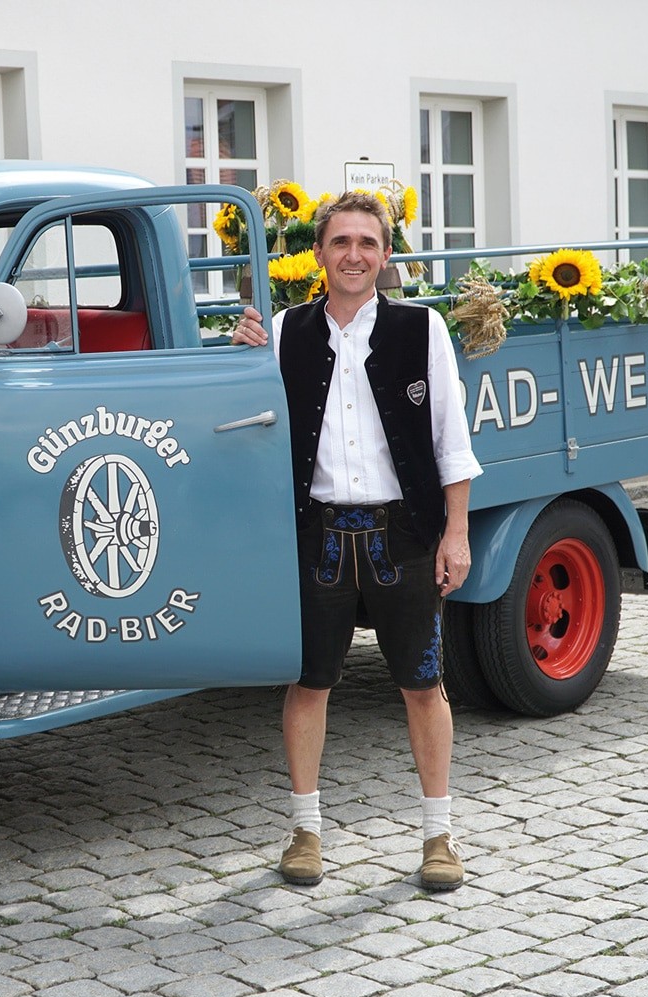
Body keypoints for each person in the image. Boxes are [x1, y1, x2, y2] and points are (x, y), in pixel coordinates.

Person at [231, 190, 481, 891]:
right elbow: (247, 419)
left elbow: (450, 442)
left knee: (422, 686)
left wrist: (454, 534)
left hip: (401, 532)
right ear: (319, 254)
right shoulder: (285, 329)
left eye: (367, 243)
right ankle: (305, 830)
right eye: (341, 242)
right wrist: (241, 357)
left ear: (386, 255)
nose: (354, 255)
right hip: (316, 536)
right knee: (309, 684)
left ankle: (439, 837)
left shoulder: (421, 328)